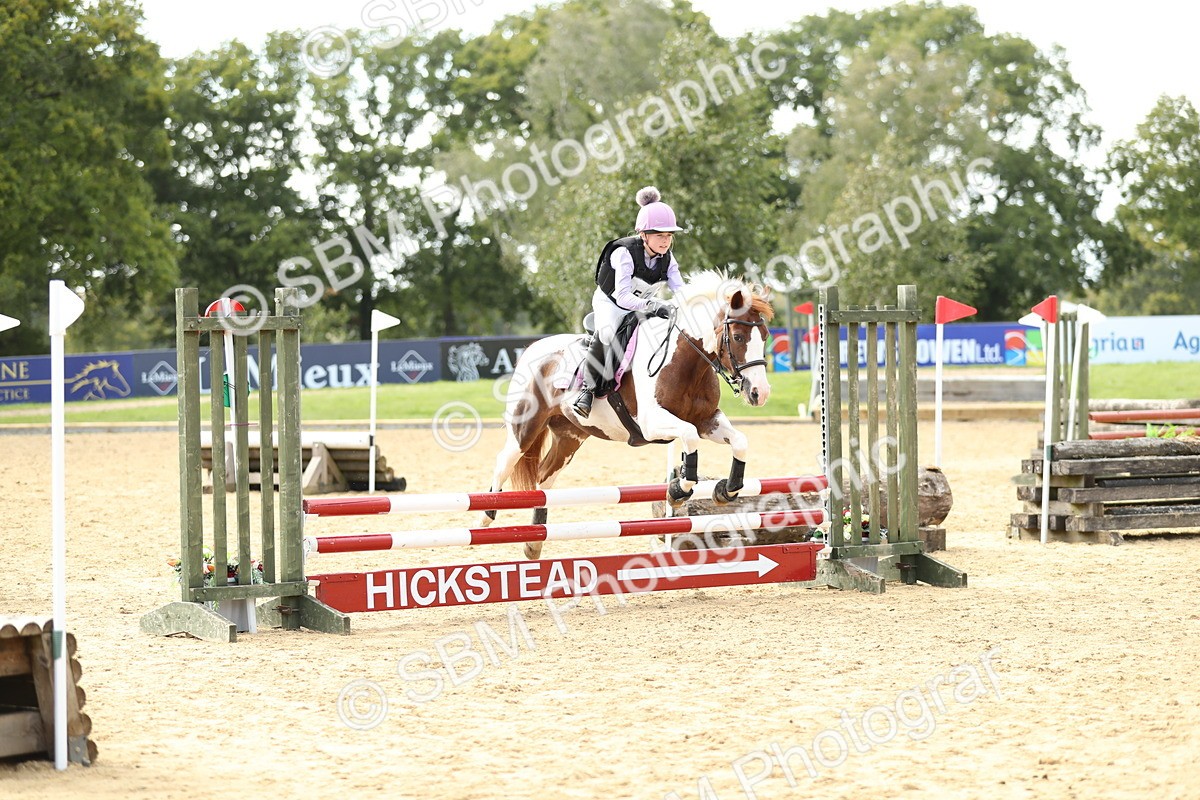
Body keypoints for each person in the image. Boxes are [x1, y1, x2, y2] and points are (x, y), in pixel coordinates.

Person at [572, 186, 683, 419]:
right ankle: (587, 391)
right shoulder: (623, 253)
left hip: (642, 304)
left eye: (669, 236)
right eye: (660, 235)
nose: (665, 241)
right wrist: (654, 305)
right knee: (608, 332)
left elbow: (680, 290)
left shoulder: (668, 259)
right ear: (644, 235)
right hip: (611, 303)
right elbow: (622, 297)